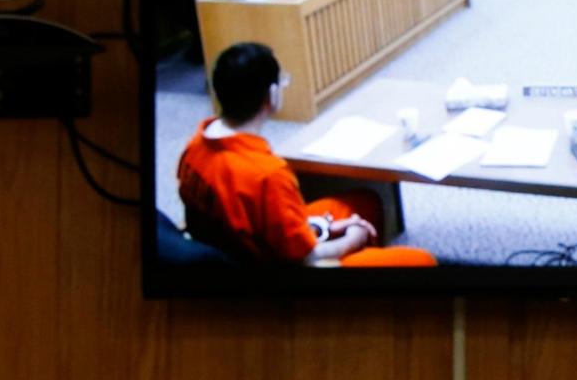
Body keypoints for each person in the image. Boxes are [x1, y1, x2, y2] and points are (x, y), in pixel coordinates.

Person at [176, 44, 435, 268]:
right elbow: (307, 258)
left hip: (237, 250)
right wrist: (352, 237)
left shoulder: (196, 143)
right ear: (272, 94)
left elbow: (253, 218)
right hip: (282, 269)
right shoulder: (267, 174)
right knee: (423, 260)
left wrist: (316, 225)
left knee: (367, 201)